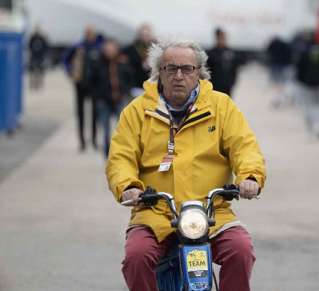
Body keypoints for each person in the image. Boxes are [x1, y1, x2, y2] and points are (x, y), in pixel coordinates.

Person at [106, 40, 266, 291]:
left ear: (199, 73)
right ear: (159, 72)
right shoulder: (137, 112)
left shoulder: (221, 106)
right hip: (155, 212)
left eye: (187, 69)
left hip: (212, 213)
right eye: (171, 68)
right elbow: (120, 157)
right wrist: (128, 186)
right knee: (137, 256)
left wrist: (251, 177)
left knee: (240, 249)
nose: (179, 75)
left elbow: (244, 147)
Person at [63, 26, 103, 151]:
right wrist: (70, 71)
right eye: (87, 33)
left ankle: (94, 140)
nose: (89, 36)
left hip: (95, 85)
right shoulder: (78, 46)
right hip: (80, 84)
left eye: (91, 33)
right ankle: (82, 141)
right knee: (80, 113)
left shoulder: (99, 48)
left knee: (94, 114)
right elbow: (65, 60)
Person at [90, 38, 132, 157]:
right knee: (106, 130)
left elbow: (129, 79)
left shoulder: (122, 62)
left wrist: (125, 91)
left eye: (112, 49)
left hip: (119, 99)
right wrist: (98, 95)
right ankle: (107, 154)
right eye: (107, 49)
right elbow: (92, 81)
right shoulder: (98, 63)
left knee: (121, 129)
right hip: (103, 101)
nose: (110, 51)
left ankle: (120, 153)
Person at [296, 32, 319, 139]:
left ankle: (312, 128)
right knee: (318, 104)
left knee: (308, 105)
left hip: (307, 83)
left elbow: (300, 67)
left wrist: (301, 80)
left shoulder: (304, 50)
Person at [206, 27, 243, 96]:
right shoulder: (211, 53)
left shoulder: (230, 52)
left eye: (223, 37)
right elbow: (207, 70)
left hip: (227, 85)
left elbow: (235, 68)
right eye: (220, 37)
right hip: (214, 85)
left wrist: (232, 81)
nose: (222, 39)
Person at [123, 24, 155, 97]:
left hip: (151, 84)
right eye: (143, 35)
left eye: (147, 35)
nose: (145, 37)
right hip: (135, 84)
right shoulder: (131, 48)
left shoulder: (156, 48)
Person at [266, 36, 292, 108]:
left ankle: (279, 94)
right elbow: (289, 54)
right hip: (282, 65)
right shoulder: (285, 45)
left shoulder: (273, 44)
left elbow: (268, 50)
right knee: (282, 82)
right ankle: (282, 94)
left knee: (276, 82)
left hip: (275, 64)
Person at [28, 26, 49, 90]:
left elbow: (45, 46)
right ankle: (33, 83)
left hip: (40, 57)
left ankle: (39, 83)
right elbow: (29, 46)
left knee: (40, 71)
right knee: (32, 71)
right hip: (34, 56)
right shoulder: (32, 38)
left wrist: (43, 55)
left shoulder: (42, 38)